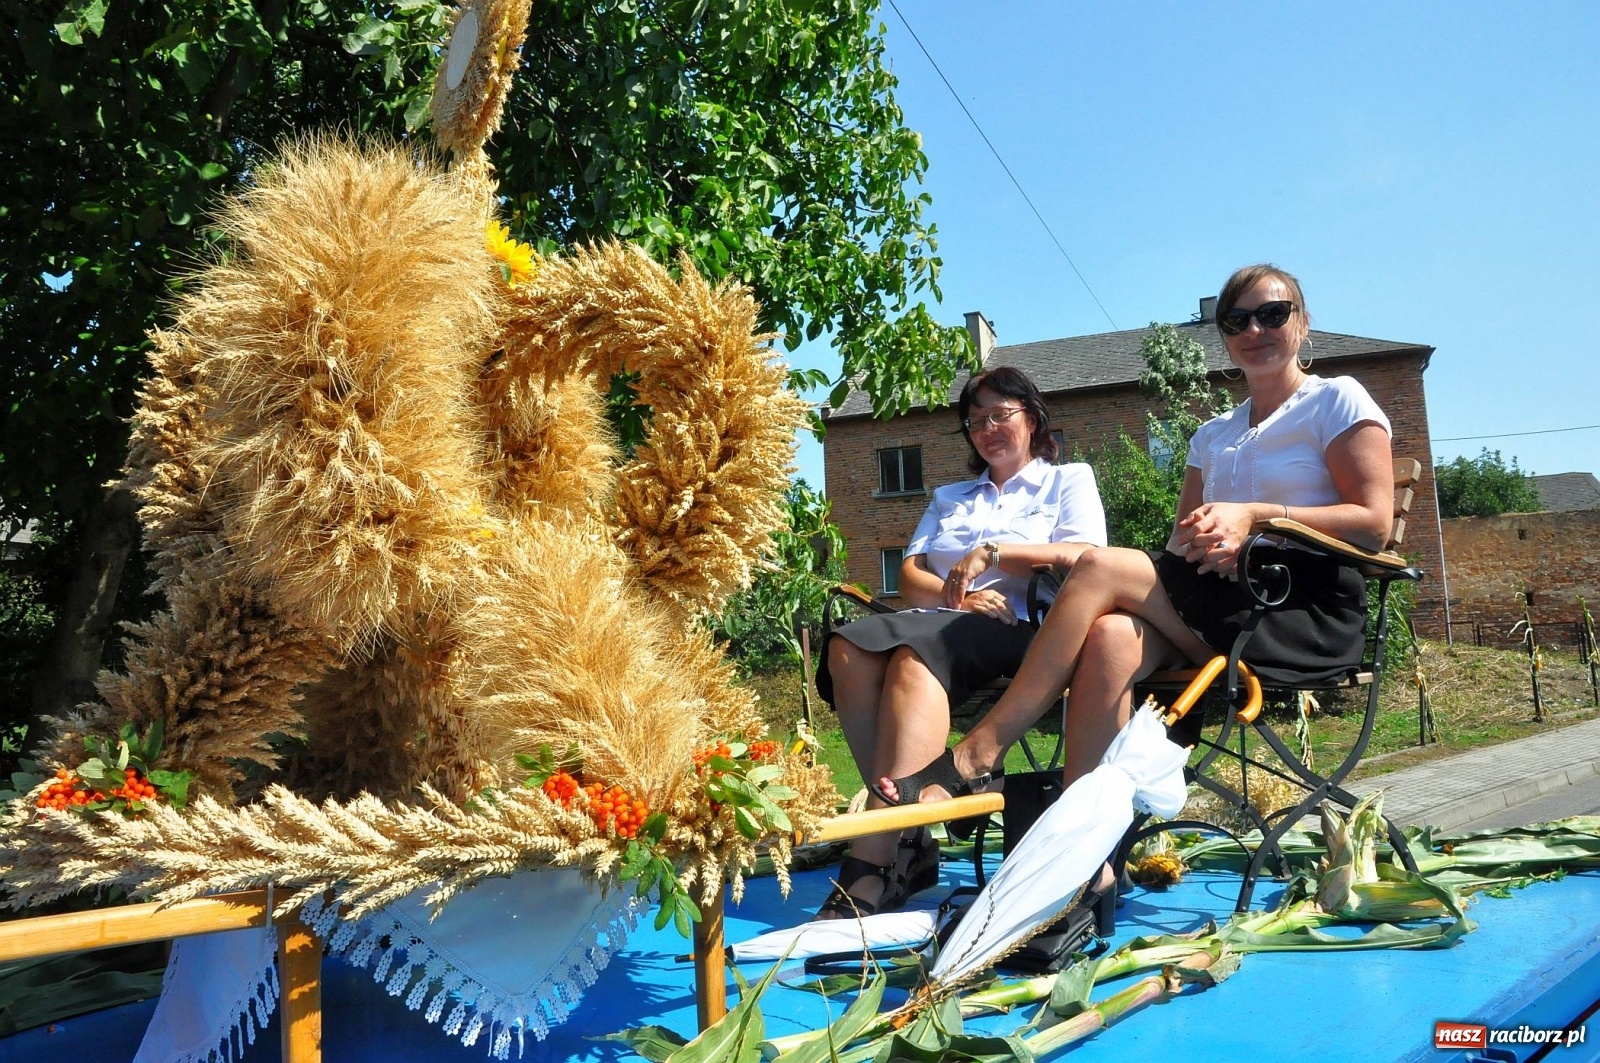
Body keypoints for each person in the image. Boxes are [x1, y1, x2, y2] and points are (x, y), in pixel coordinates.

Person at [875, 263, 1395, 902]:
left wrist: (1257, 517)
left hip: (1295, 611)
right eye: (1237, 320)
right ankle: (1087, 857)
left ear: (1303, 322)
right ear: (1223, 335)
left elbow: (1373, 524)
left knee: (1097, 565)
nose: (1254, 329)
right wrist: (1207, 540)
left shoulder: (1337, 399)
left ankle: (979, 753)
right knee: (1113, 636)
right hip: (1216, 602)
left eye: (1272, 313)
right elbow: (1180, 542)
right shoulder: (1214, 435)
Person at [815, 366, 1107, 919]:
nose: (988, 428)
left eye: (1001, 415)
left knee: (912, 657)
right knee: (847, 647)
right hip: (946, 620)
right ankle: (909, 824)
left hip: (1023, 627)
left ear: (1032, 416)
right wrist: (958, 599)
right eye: (976, 422)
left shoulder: (1067, 481)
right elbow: (910, 576)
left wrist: (994, 552)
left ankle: (876, 859)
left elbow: (1087, 560)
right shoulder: (951, 496)